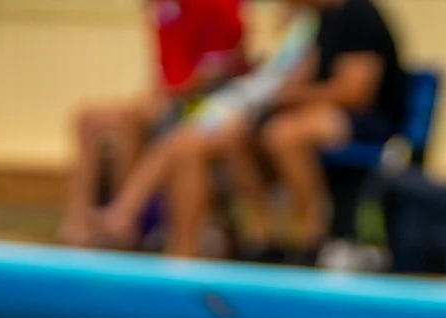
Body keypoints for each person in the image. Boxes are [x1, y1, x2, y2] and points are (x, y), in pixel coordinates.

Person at [94, 0, 402, 262]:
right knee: (199, 145)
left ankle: (312, 236)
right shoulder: (315, 23)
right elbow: (291, 80)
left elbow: (354, 94)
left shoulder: (359, 15)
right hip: (284, 110)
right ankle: (235, 241)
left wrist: (282, 98)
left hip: (363, 123)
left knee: (282, 135)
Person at [58, 0, 247, 246]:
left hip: (207, 101)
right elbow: (166, 66)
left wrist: (172, 93)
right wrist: (159, 95)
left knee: (148, 128)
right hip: (172, 96)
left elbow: (223, 69)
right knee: (88, 119)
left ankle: (124, 219)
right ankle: (79, 224)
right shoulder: (164, 8)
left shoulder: (219, 7)